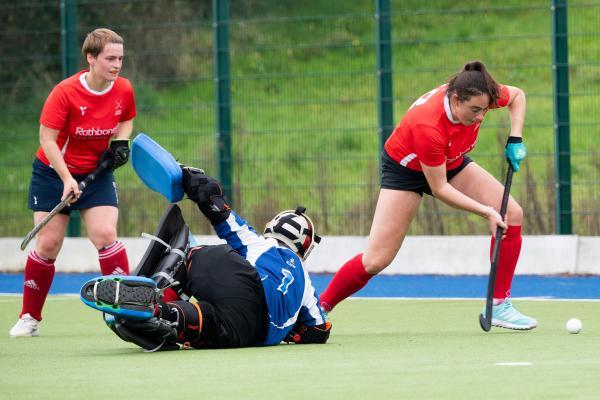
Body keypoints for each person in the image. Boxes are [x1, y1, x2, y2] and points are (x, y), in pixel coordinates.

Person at [320, 61, 537, 330]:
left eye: (485, 109)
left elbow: (517, 96)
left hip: (450, 160)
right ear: (456, 100)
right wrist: (486, 211)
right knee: (377, 259)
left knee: (512, 213)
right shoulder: (428, 125)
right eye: (475, 110)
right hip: (405, 170)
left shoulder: (480, 93)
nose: (481, 116)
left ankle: (499, 304)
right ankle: (319, 308)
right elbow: (440, 188)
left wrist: (515, 137)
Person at [80, 166, 331, 351]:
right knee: (205, 322)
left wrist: (193, 181)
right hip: (252, 329)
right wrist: (294, 329)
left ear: (271, 228)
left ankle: (156, 291)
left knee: (196, 254)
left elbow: (220, 213)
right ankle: (165, 313)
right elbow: (319, 330)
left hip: (236, 277)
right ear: (305, 247)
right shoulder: (305, 282)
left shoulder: (258, 242)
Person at [10, 28, 136, 337]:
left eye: (120, 58)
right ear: (91, 58)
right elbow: (47, 140)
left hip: (96, 172)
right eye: (110, 58)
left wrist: (120, 143)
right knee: (49, 243)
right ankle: (30, 317)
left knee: (106, 234)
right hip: (53, 173)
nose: (116, 65)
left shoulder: (123, 89)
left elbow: (126, 119)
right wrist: (67, 179)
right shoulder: (65, 92)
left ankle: (127, 314)